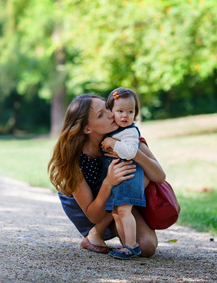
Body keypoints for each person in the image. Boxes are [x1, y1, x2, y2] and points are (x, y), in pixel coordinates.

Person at [48, 94, 165, 258]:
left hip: (121, 201)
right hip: (92, 211)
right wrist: (109, 182)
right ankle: (95, 233)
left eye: (108, 108)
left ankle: (118, 224)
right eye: (101, 114)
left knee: (146, 246)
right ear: (87, 128)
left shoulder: (125, 134)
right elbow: (93, 215)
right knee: (132, 184)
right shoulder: (74, 160)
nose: (111, 114)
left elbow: (159, 176)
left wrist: (133, 153)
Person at [100, 87, 145, 259]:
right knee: (116, 213)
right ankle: (126, 245)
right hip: (118, 179)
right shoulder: (113, 130)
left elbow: (130, 152)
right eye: (120, 111)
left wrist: (112, 142)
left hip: (128, 178)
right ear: (111, 112)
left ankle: (131, 245)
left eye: (130, 111)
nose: (125, 116)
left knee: (125, 211)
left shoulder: (130, 132)